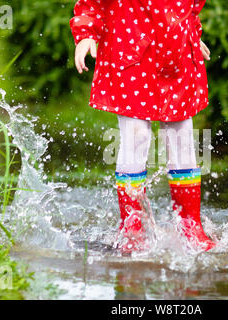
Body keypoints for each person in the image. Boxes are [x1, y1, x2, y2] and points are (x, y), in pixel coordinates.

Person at [70, 0, 215, 252]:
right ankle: (132, 227)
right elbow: (90, 3)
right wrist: (86, 34)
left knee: (181, 138)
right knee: (136, 136)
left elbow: (191, 8)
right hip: (130, 49)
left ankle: (190, 226)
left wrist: (192, 33)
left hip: (178, 58)